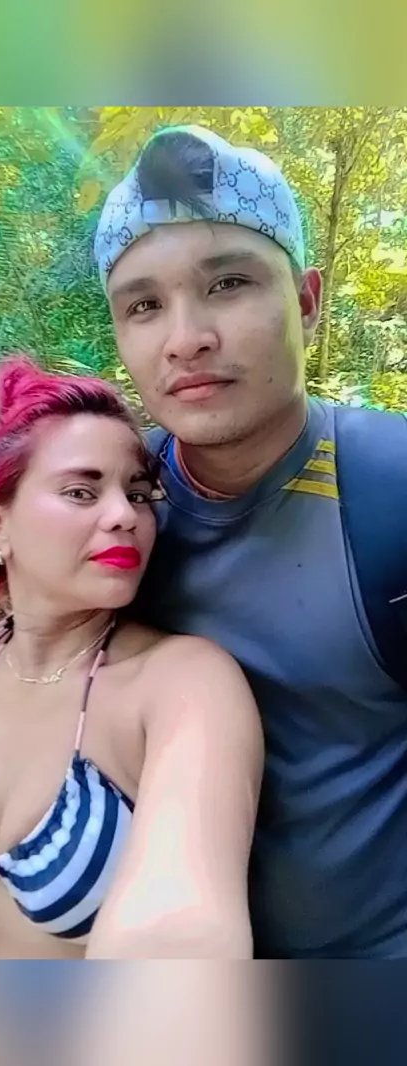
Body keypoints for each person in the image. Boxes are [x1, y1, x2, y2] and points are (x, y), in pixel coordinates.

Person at [94, 124, 407, 959]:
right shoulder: (113, 507)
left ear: (306, 300)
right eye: (144, 305)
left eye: (228, 283)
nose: (185, 337)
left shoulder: (389, 490)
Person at [0, 355, 263, 960]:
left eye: (138, 493)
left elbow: (182, 928)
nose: (125, 516)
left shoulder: (181, 683)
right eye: (81, 491)